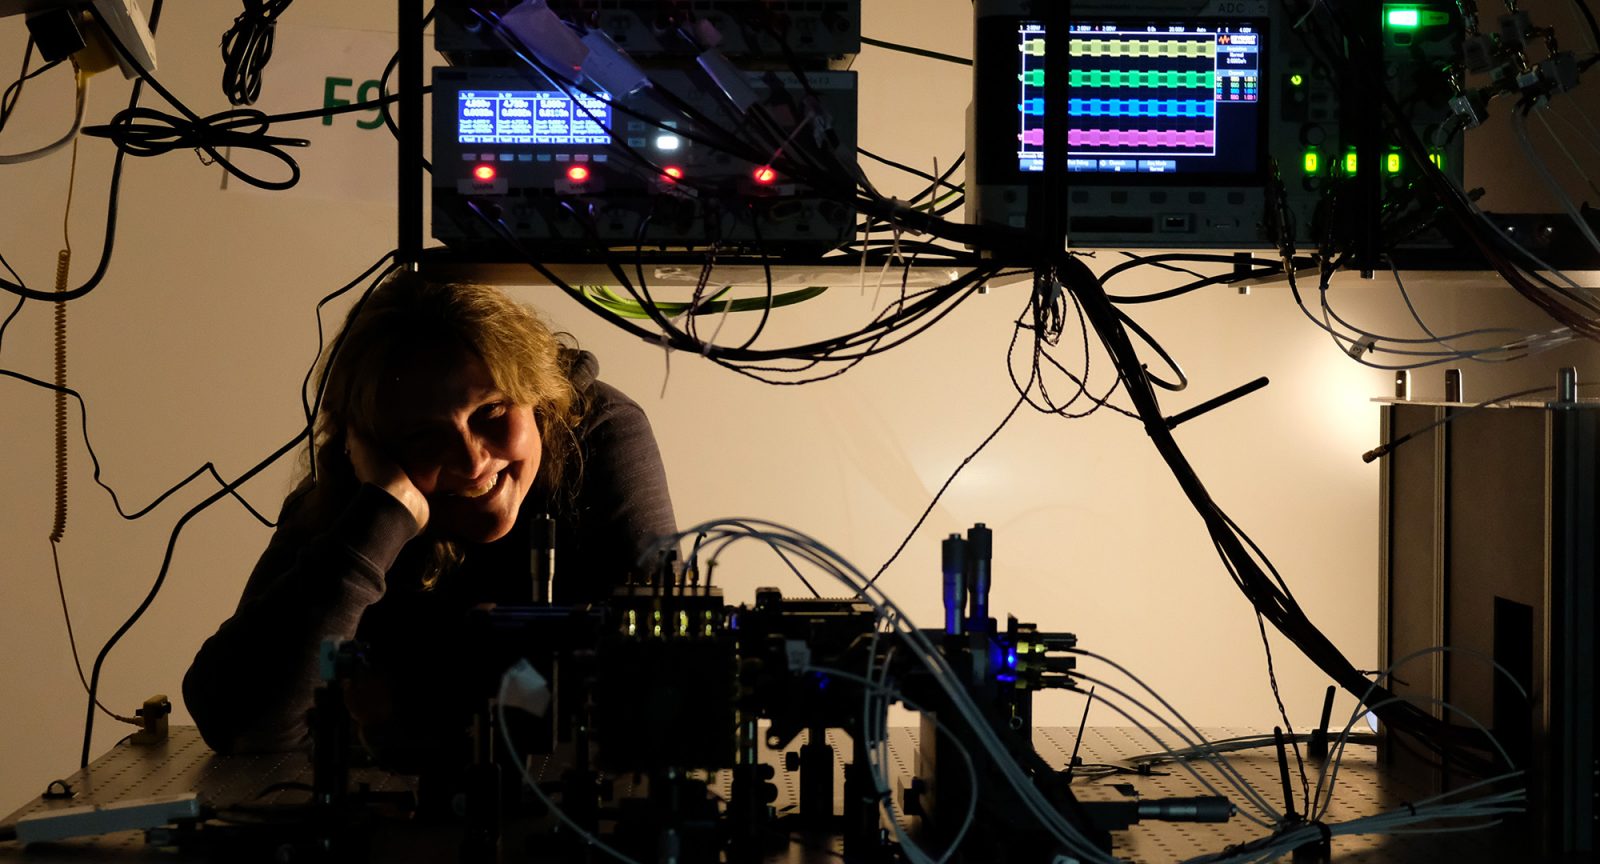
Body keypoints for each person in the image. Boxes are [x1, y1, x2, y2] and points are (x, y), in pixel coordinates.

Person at [182, 272, 676, 756]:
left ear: (538, 394)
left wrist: (405, 704)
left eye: (492, 412)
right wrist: (383, 513)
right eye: (423, 436)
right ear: (368, 448)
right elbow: (243, 725)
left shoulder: (601, 432)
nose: (471, 461)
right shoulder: (356, 491)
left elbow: (667, 684)